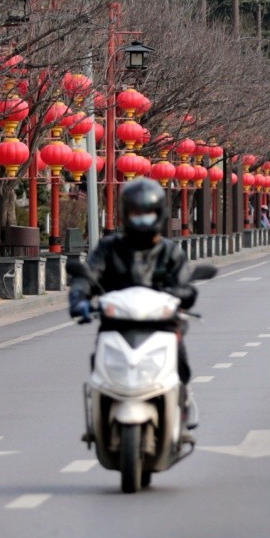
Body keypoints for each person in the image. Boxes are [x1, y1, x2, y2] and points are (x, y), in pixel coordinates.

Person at [68, 178, 202, 428]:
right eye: (136, 213)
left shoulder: (170, 252)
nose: (142, 219)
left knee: (180, 356)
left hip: (161, 323)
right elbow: (89, 276)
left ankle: (183, 396)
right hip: (116, 322)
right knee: (98, 356)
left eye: (148, 214)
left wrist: (182, 295)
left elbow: (185, 285)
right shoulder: (108, 249)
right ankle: (101, 403)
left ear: (159, 214)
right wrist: (79, 299)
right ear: (125, 214)